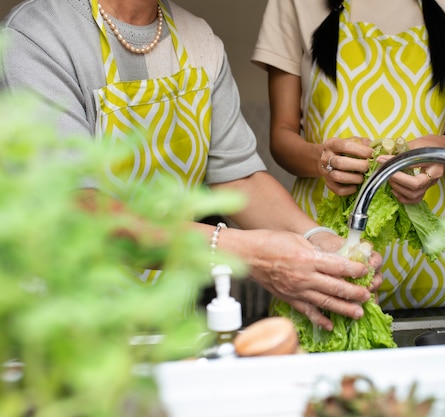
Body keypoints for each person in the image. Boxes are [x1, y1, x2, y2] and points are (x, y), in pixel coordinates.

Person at [0, 0, 383, 331]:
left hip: (170, 327)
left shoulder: (198, 40)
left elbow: (239, 179)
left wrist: (320, 243)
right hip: (60, 335)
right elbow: (81, 213)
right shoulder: (36, 38)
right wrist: (248, 253)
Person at [252, 0, 445, 310]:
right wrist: (324, 159)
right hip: (324, 244)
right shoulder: (294, 3)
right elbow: (280, 138)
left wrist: (444, 149)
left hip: (430, 252)